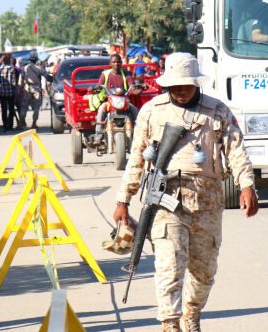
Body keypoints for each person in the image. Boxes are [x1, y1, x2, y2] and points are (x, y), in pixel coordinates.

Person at [113, 52, 259, 332]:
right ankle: (170, 325)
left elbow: (236, 149)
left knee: (204, 271)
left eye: (185, 85)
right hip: (166, 203)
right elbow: (137, 158)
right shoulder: (152, 111)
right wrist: (123, 199)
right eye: (174, 85)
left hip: (208, 202)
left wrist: (246, 185)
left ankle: (191, 316)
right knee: (169, 269)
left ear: (197, 83)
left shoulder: (217, 111)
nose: (179, 91)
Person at [93, 54, 141, 138]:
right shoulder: (105, 74)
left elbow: (131, 84)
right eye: (114, 62)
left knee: (135, 110)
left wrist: (135, 87)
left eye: (118, 62)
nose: (116, 64)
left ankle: (138, 134)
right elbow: (99, 85)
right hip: (109, 102)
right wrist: (96, 88)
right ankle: (98, 134)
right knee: (101, 110)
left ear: (121, 63)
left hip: (124, 102)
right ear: (110, 63)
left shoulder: (126, 74)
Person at [20, 51, 52, 129]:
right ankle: (34, 123)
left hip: (27, 88)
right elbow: (48, 77)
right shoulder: (39, 68)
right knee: (36, 107)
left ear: (29, 59)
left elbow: (21, 79)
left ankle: (22, 122)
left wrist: (21, 88)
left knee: (24, 107)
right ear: (36, 59)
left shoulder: (24, 68)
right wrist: (53, 78)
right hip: (36, 89)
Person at [0, 54, 17, 131]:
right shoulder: (12, 68)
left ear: (2, 61)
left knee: (3, 110)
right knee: (11, 110)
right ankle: (10, 126)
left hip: (2, 93)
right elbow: (14, 81)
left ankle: (5, 126)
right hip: (10, 93)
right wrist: (14, 90)